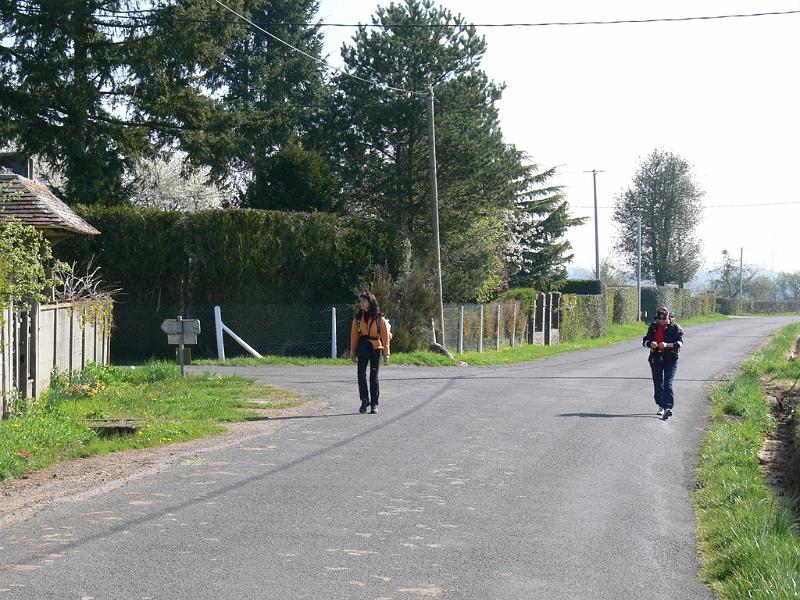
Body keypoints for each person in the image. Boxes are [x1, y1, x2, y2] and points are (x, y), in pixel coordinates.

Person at [350, 292, 390, 414]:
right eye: (361, 301)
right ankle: (365, 400)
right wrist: (352, 352)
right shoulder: (357, 319)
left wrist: (386, 353)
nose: (361, 303)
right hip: (362, 348)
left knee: (374, 377)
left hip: (375, 349)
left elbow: (385, 336)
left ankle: (374, 404)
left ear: (370, 303)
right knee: (361, 375)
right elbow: (354, 336)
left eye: (364, 301)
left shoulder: (379, 318)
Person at [642, 306, 684, 420]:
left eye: (663, 319)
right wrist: (651, 343)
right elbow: (644, 341)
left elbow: (680, 343)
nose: (661, 321)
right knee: (658, 383)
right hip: (656, 359)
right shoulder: (654, 326)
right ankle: (661, 405)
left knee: (667, 384)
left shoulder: (674, 327)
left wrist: (667, 345)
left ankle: (668, 408)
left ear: (667, 318)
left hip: (670, 359)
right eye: (659, 319)